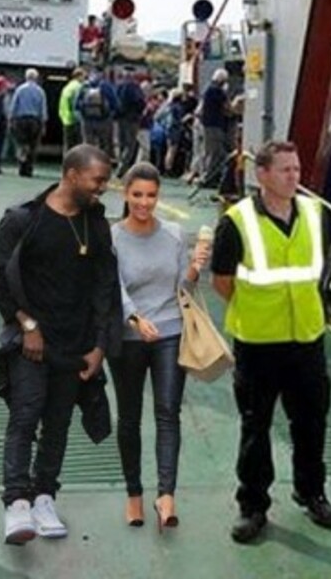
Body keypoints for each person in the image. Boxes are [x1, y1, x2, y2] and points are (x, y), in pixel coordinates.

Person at [211, 140, 331, 544]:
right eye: (285, 170)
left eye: (297, 169)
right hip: (257, 344)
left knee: (311, 423)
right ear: (262, 175)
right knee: (256, 427)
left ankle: (311, 492)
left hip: (306, 339)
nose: (295, 177)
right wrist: (257, 311)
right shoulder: (236, 222)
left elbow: (320, 271)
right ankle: (253, 506)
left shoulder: (318, 215)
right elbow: (222, 282)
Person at [0, 144, 121, 545]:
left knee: (58, 423)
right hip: (32, 343)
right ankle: (16, 503)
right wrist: (26, 324)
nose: (103, 188)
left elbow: (105, 286)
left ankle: (45, 496)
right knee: (25, 417)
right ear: (72, 174)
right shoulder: (22, 220)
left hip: (75, 343)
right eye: (97, 180)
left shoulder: (95, 224)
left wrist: (100, 345)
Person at [109, 162, 210, 530]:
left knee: (168, 412)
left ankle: (166, 495)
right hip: (129, 337)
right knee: (130, 416)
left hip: (170, 332)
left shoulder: (173, 233)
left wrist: (196, 268)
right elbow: (112, 289)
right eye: (137, 195)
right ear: (125, 194)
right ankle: (134, 494)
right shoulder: (114, 237)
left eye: (151, 195)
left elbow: (183, 287)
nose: (144, 203)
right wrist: (135, 318)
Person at [8, 67, 48, 177]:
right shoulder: (40, 91)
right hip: (34, 120)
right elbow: (43, 109)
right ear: (36, 78)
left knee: (22, 144)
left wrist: (10, 120)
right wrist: (43, 124)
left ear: (26, 77)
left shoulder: (20, 90)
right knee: (33, 145)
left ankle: (21, 167)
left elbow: (14, 106)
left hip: (20, 120)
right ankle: (29, 169)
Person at [57, 67, 86, 155]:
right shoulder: (79, 87)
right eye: (83, 77)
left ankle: (66, 164)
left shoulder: (67, 87)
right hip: (76, 119)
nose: (84, 79)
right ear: (79, 76)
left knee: (68, 145)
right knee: (78, 146)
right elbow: (79, 104)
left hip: (66, 119)